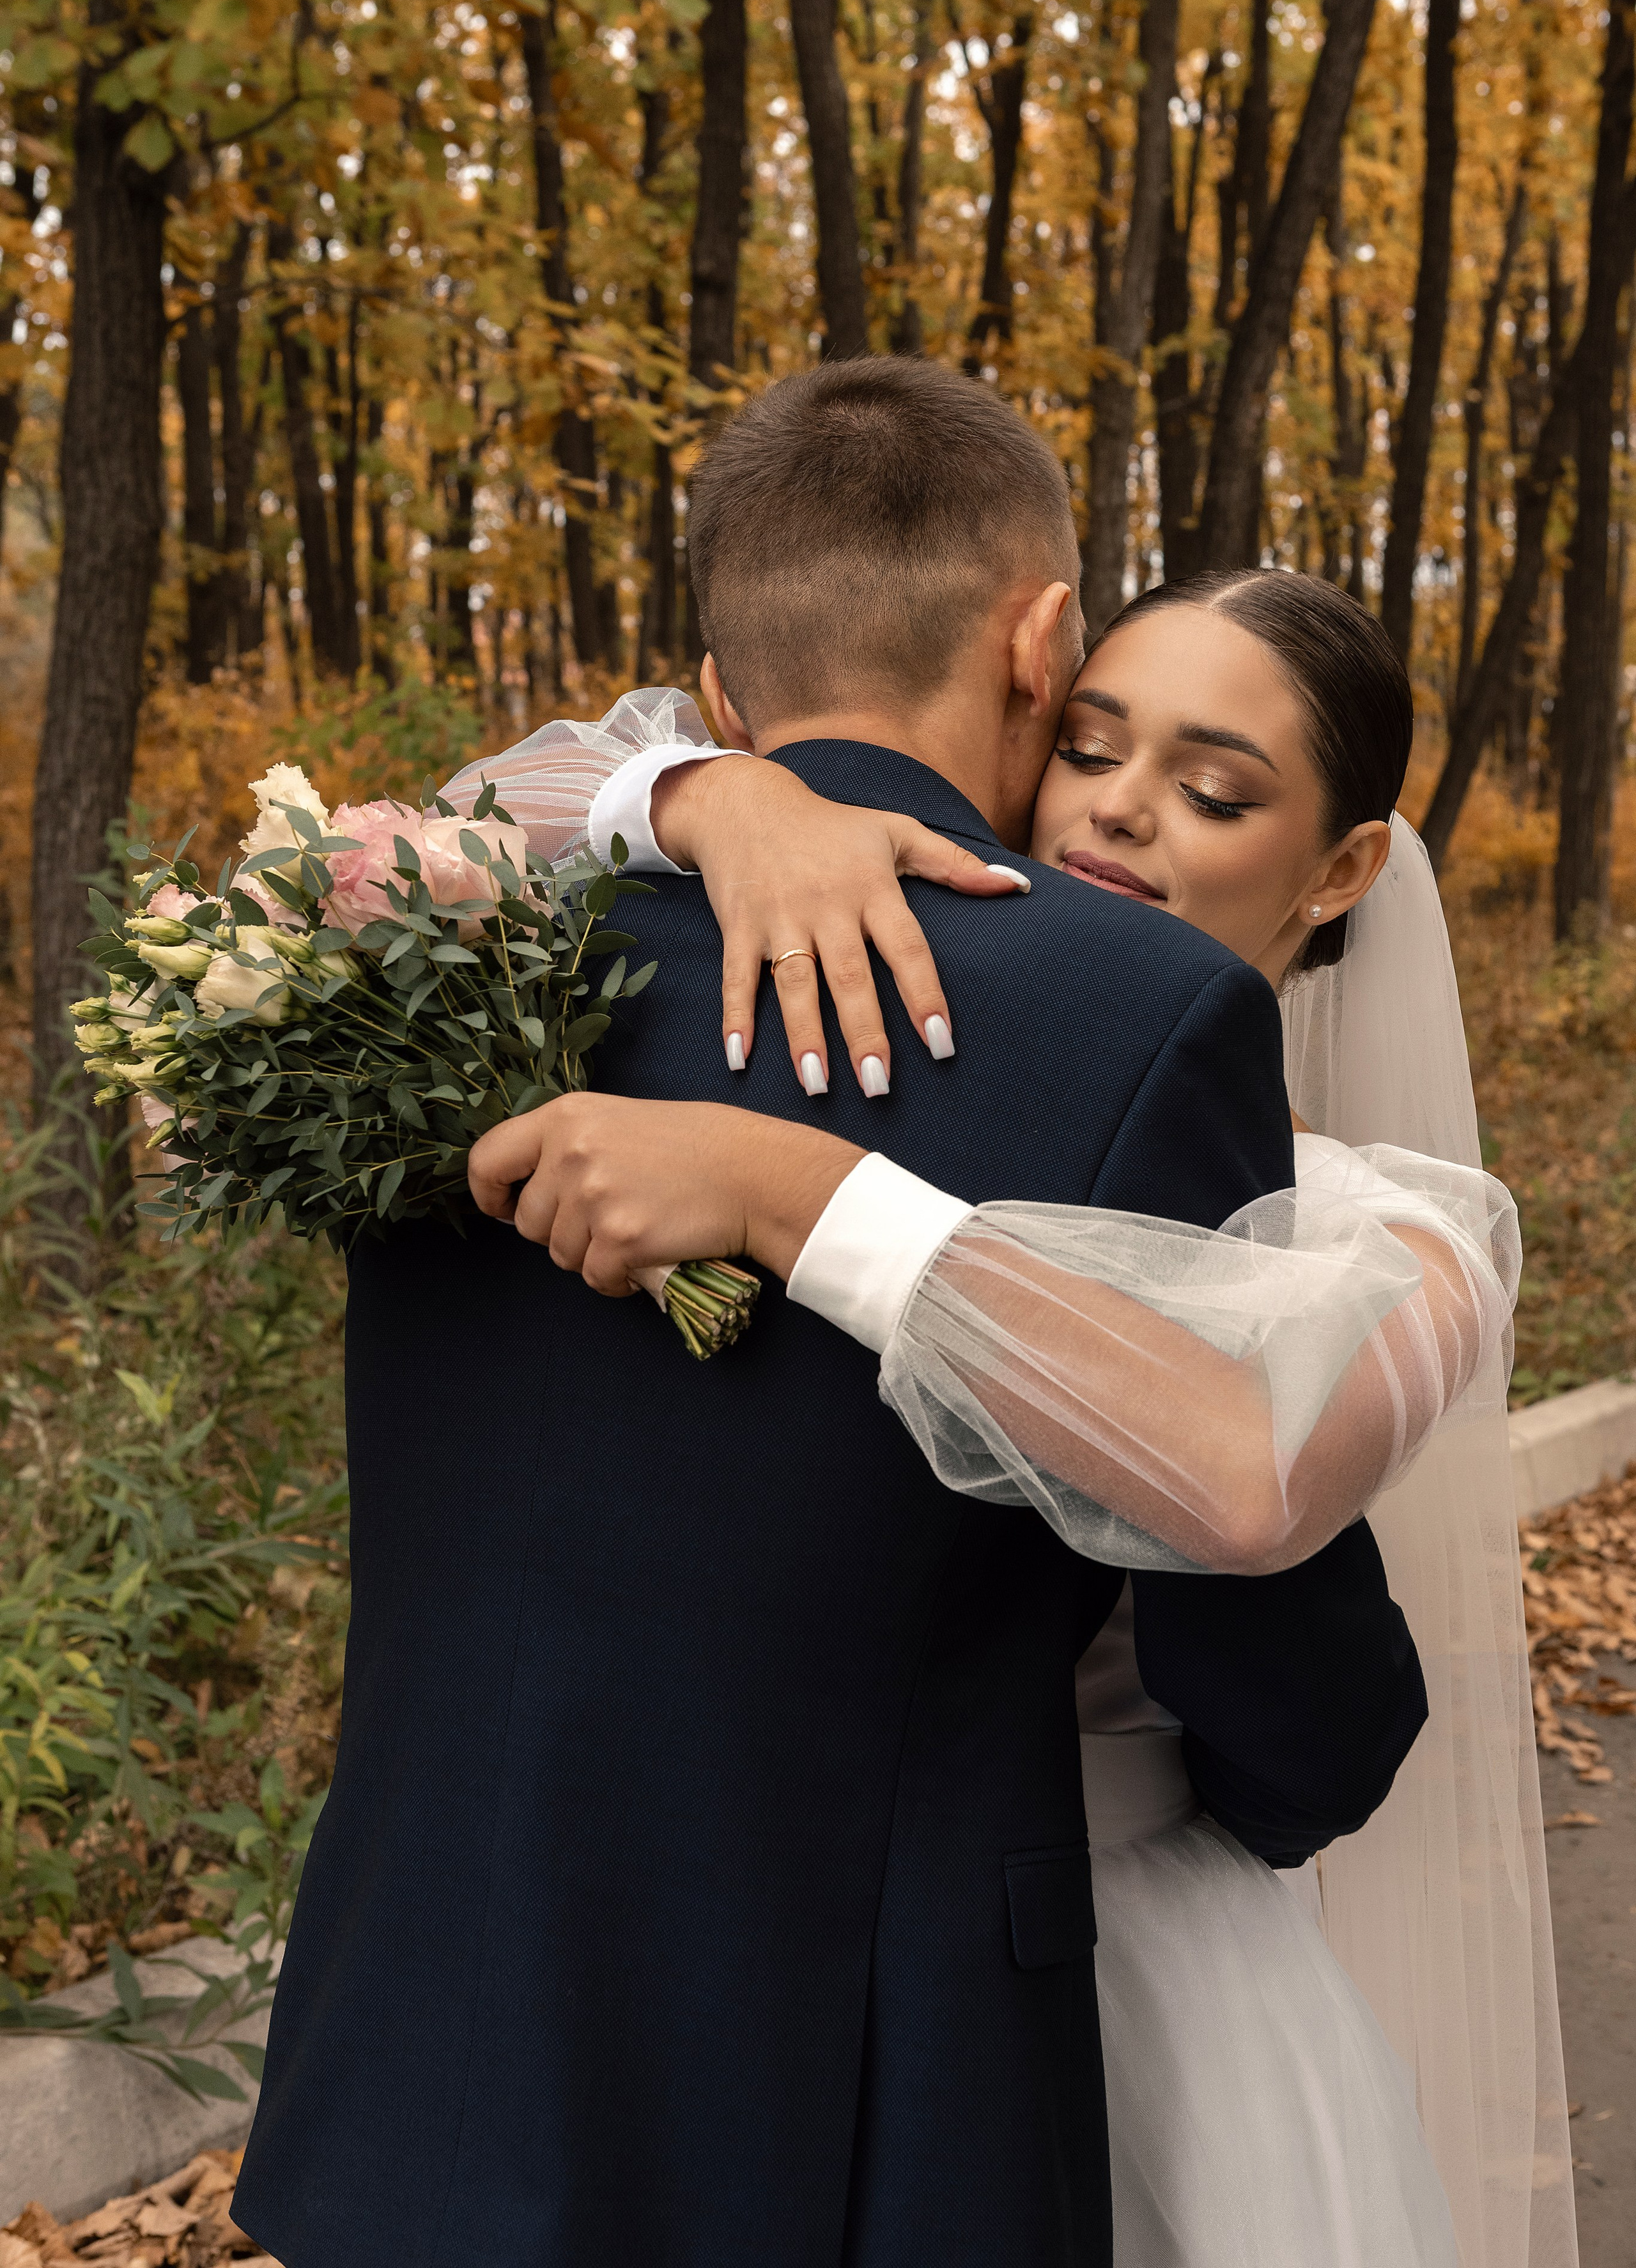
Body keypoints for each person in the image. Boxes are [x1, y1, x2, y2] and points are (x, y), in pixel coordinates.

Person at [233, 360, 1433, 2268]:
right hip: (861, 2103)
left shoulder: (414, 934)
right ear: (1045, 644)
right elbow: (1274, 1669)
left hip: (424, 2056)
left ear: (714, 693)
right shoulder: (1134, 1021)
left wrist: (685, 798)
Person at [454, 565, 1574, 2266]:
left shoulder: (1400, 1232)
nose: (1119, 807)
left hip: (1127, 1971)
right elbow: (420, 835)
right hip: (727, 1943)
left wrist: (798, 1194)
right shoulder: (916, 1034)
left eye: (1213, 789)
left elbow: (1245, 1474)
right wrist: (716, 795)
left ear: (1343, 869)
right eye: (1091, 744)